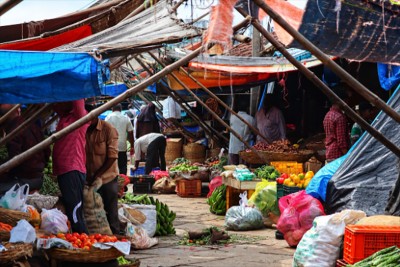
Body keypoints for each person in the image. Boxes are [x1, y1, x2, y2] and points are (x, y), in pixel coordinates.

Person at [53, 99, 89, 233]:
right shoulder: (65, 117)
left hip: (72, 169)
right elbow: (56, 104)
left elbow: (78, 100)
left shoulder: (80, 118)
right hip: (64, 170)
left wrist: (74, 85)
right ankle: (78, 237)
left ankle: (82, 238)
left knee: (75, 211)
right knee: (71, 207)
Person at [0, 104, 50, 196]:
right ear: (17, 111)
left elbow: (13, 161)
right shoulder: (31, 124)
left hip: (25, 180)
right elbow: (47, 151)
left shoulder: (14, 131)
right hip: (38, 178)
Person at [85, 104, 120, 234]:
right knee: (91, 209)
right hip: (89, 178)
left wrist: (98, 174)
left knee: (111, 207)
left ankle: (115, 234)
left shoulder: (108, 129)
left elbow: (112, 156)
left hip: (107, 177)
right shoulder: (83, 130)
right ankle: (96, 235)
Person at [105, 104, 134, 176]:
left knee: (112, 167)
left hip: (111, 147)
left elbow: (104, 132)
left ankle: (114, 184)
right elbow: (131, 133)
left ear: (112, 109)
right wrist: (132, 146)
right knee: (123, 166)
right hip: (122, 147)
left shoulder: (108, 118)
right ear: (120, 109)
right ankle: (123, 184)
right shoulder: (126, 118)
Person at [323, 87, 350, 162]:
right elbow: (341, 142)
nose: (346, 103)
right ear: (340, 101)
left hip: (329, 153)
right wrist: (347, 158)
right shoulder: (340, 117)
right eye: (346, 101)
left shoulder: (328, 115)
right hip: (338, 155)